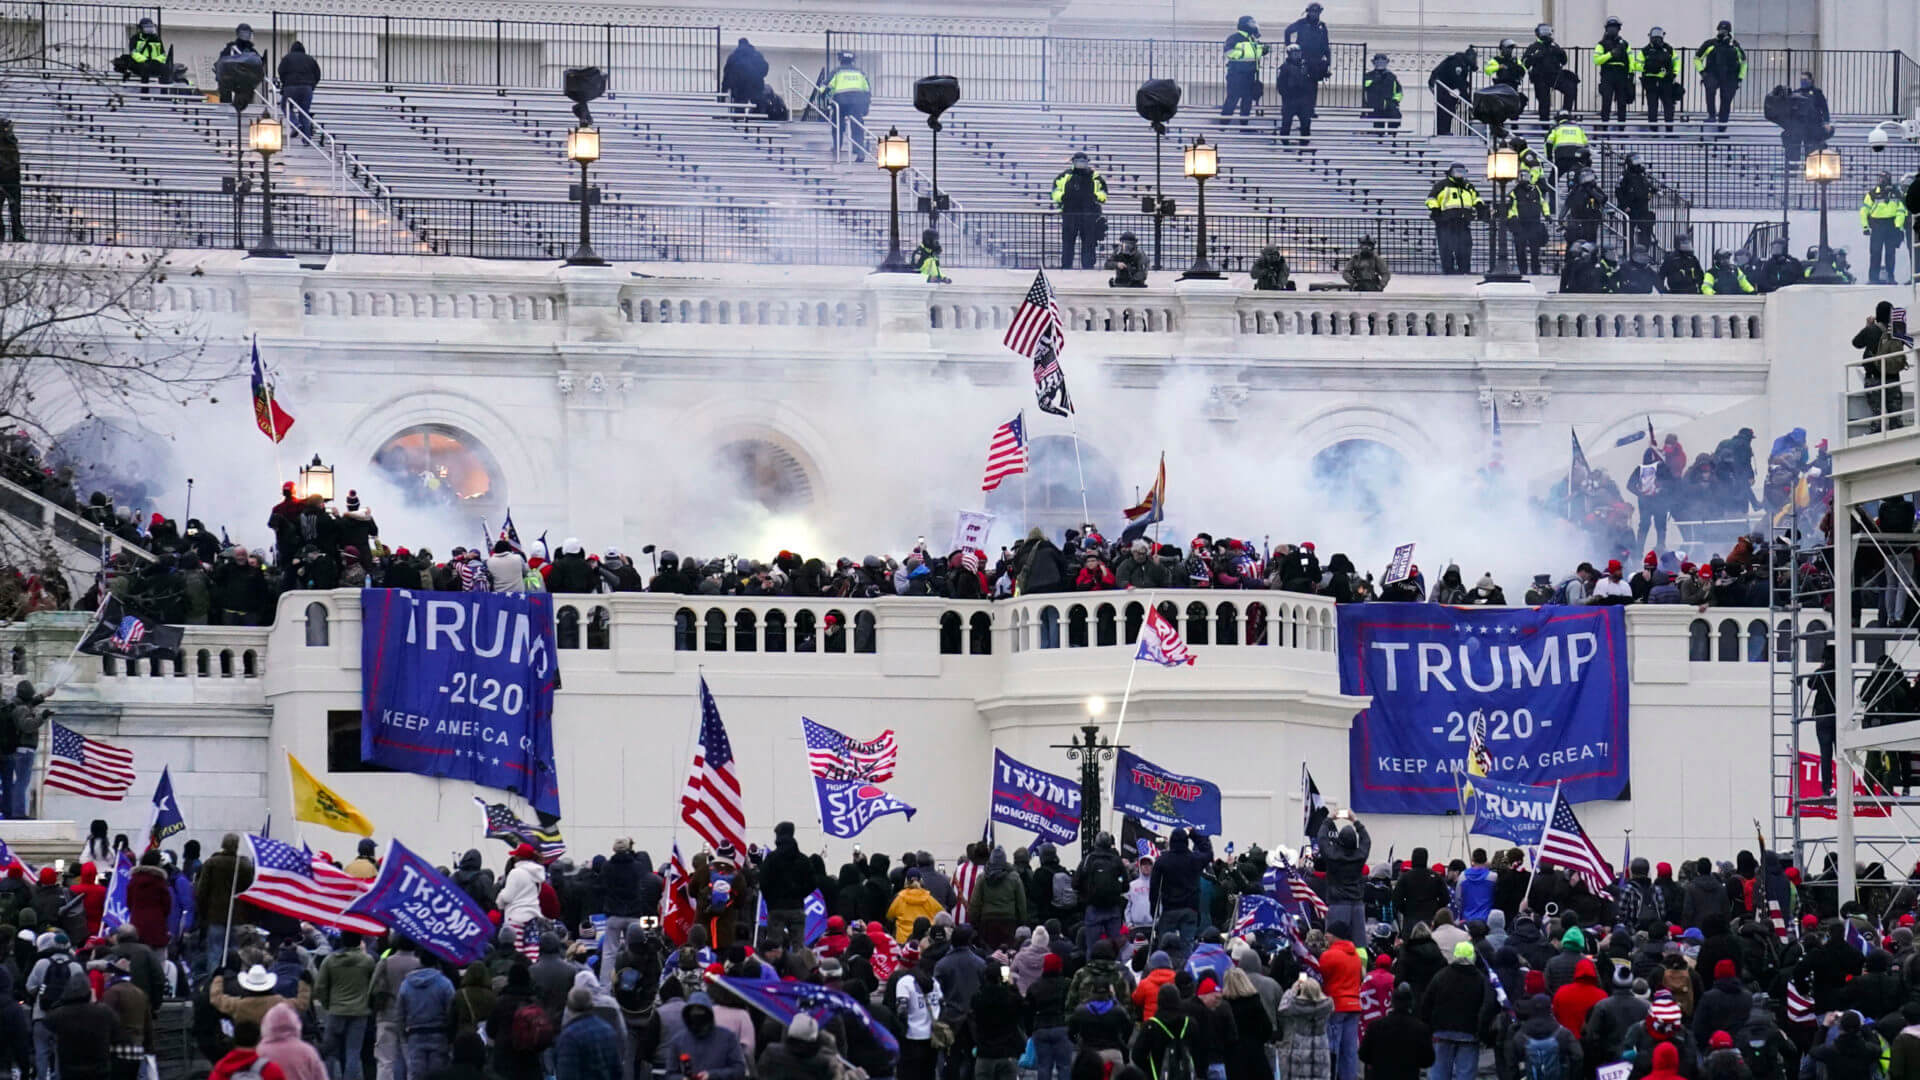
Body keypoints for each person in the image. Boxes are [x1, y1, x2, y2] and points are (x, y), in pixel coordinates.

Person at [1421, 942, 1488, 1080]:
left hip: (1441, 1030)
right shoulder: (1480, 979)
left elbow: (1427, 1002)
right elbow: (1486, 1005)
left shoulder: (1441, 976)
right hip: (1469, 1033)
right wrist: (1481, 1030)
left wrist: (1428, 1027)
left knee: (1438, 1074)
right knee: (1466, 1074)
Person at [1426, 163, 1484, 275]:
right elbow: (1431, 198)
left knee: (1465, 247)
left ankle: (1464, 270)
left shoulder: (1468, 186)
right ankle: (1449, 271)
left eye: (1461, 172)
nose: (1459, 174)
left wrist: (1479, 206)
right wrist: (1435, 209)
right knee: (1446, 247)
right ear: (1451, 172)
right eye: (1457, 171)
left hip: (1463, 222)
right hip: (1446, 222)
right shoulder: (1442, 185)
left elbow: (1476, 197)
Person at [1053, 152, 1107, 270]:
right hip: (1070, 215)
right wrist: (1062, 197)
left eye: (1083, 161)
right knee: (1068, 243)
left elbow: (1104, 193)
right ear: (1073, 162)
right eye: (1079, 161)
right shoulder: (1065, 176)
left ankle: (1088, 267)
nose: (1081, 164)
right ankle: (1066, 267)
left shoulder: (1095, 176)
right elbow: (1055, 192)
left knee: (1089, 244)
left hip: (1089, 216)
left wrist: (1096, 196)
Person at [1696, 21, 1747, 131]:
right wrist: (1702, 73)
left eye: (1725, 30)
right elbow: (1697, 58)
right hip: (1712, 74)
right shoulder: (1710, 44)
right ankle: (1712, 116)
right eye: (1720, 30)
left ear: (1729, 32)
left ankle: (1722, 125)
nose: (1722, 32)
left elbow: (1743, 62)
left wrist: (1740, 78)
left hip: (1730, 77)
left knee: (1726, 100)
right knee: (1710, 89)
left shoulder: (1735, 45)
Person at [1862, 171, 1908, 285]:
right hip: (1877, 225)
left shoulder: (1896, 193)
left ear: (1889, 179)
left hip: (1891, 225)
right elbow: (1864, 211)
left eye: (1884, 178)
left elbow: (1901, 211)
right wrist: (1865, 226)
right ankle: (1873, 278)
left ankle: (1890, 278)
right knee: (1875, 252)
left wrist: (1898, 226)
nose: (1882, 180)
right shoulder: (1872, 194)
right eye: (1880, 178)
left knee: (1890, 254)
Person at [1220, 16, 1267, 122]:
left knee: (1247, 101)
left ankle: (1244, 126)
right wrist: (1246, 53)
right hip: (1236, 75)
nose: (1254, 24)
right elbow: (1229, 53)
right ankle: (1223, 125)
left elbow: (1253, 55)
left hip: (1249, 75)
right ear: (1244, 24)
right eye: (1251, 22)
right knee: (1232, 100)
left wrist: (1262, 50)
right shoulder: (1234, 38)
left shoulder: (1252, 39)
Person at [824, 52, 870, 162]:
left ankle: (837, 147)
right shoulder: (860, 73)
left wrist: (826, 101)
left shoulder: (836, 72)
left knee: (838, 125)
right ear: (852, 60)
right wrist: (865, 107)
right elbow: (867, 90)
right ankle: (859, 151)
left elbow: (824, 88)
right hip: (857, 103)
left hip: (840, 102)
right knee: (857, 127)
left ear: (840, 60)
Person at [1524, 25, 1574, 122]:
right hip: (1540, 78)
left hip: (1555, 76)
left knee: (1570, 89)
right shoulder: (1533, 47)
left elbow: (1564, 61)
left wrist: (1560, 52)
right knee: (1544, 102)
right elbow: (1525, 63)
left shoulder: (1554, 46)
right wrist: (1535, 57)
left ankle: (1565, 113)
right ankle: (1544, 123)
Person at [1594, 17, 1636, 125]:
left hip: (1622, 75)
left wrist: (1631, 74)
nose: (1613, 29)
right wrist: (1610, 54)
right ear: (1607, 29)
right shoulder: (1601, 44)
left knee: (1622, 102)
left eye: (1615, 27)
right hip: (1608, 74)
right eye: (1610, 27)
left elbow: (1631, 60)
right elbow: (1597, 60)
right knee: (1606, 101)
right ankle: (1605, 126)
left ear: (1618, 29)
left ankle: (1621, 127)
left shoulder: (1625, 44)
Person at [1507, 173, 1550, 275]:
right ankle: (1523, 270)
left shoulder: (1536, 190)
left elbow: (1543, 203)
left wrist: (1547, 214)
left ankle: (1536, 270)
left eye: (1527, 177)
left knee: (1535, 249)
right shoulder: (1515, 191)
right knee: (1520, 249)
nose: (1525, 180)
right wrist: (1513, 217)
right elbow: (1510, 207)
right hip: (1520, 224)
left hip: (1534, 223)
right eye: (1523, 177)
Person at [1428, 47, 1476, 137]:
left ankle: (1443, 130)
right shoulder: (1457, 63)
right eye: (1473, 58)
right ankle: (1442, 131)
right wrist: (1469, 102)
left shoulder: (1461, 62)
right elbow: (1459, 82)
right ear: (1469, 56)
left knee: (1448, 107)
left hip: (1446, 86)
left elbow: (1460, 83)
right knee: (1445, 106)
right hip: (1439, 84)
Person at [1638, 27, 1678, 129]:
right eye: (1654, 38)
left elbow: (1676, 62)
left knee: (1668, 106)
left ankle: (1669, 130)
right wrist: (1648, 68)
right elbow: (1637, 65)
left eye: (1658, 38)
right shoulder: (1645, 50)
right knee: (1652, 107)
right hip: (1650, 82)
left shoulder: (1669, 49)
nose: (1656, 40)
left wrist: (1673, 74)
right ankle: (1653, 130)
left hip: (1666, 81)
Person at [1275, 45, 1318, 140]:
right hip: (1290, 100)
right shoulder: (1284, 67)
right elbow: (1280, 84)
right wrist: (1287, 94)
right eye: (1295, 53)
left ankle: (1304, 144)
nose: (1297, 55)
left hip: (1303, 100)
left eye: (1299, 53)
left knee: (1306, 123)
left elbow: (1311, 82)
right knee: (1286, 123)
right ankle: (1285, 144)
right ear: (1289, 54)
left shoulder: (1305, 66)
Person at [278, 42, 320, 138]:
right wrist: (312, 85)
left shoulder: (287, 58)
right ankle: (307, 139)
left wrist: (285, 83)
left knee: (286, 106)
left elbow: (281, 72)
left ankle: (296, 125)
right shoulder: (310, 59)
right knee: (304, 112)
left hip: (291, 86)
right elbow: (317, 74)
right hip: (307, 88)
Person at [1616, 154, 1656, 252]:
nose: (1638, 164)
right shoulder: (1625, 176)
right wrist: (1624, 206)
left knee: (1645, 231)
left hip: (1643, 206)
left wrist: (1654, 190)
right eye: (1635, 161)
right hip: (1630, 208)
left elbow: (1648, 184)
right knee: (1629, 232)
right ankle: (1629, 252)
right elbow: (1619, 192)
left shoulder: (1642, 174)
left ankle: (1644, 252)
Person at [1283, 3, 1331, 80]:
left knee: (1313, 85)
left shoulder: (1322, 26)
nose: (1314, 13)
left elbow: (1326, 44)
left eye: (1317, 11)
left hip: (1316, 60)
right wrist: (1290, 47)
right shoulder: (1301, 23)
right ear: (1308, 12)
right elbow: (1288, 31)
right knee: (1301, 82)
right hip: (1302, 58)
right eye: (1312, 11)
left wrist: (1328, 62)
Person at [721, 38, 769, 109]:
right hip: (755, 85)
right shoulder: (757, 55)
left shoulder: (733, 56)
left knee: (739, 107)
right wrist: (759, 76)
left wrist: (724, 90)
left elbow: (727, 74)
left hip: (738, 87)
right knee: (757, 106)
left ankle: (738, 118)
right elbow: (765, 67)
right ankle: (757, 118)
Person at [1564, 169, 1607, 246]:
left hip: (1592, 220)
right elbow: (1567, 203)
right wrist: (1561, 217)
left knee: (1591, 241)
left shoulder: (1595, 189)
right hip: (1577, 221)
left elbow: (1602, 199)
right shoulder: (1576, 190)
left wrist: (1591, 191)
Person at [1546, 113, 1589, 185]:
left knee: (1552, 181)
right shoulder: (1578, 128)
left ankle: (1554, 196)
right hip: (1577, 158)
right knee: (1576, 180)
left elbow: (1549, 142)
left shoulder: (1557, 127)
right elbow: (1586, 143)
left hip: (1562, 158)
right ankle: (1575, 194)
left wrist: (1549, 157)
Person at [1362, 54, 1402, 130]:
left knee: (1395, 118)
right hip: (1374, 106)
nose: (1380, 63)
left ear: (1386, 62)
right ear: (1374, 63)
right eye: (1378, 61)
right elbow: (1365, 86)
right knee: (1378, 128)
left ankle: (1393, 137)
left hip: (1389, 105)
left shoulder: (1391, 76)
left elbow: (1398, 91)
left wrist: (1395, 101)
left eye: (1382, 61)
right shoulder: (1368, 75)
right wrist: (1376, 79)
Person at [127, 18, 169, 87]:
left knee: (166, 70)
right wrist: (145, 60)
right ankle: (144, 93)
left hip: (155, 63)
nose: (149, 28)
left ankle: (164, 92)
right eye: (146, 27)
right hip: (140, 64)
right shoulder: (135, 38)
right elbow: (133, 53)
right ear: (141, 28)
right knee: (145, 69)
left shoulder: (156, 39)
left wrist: (156, 60)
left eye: (150, 26)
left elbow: (163, 54)